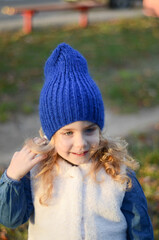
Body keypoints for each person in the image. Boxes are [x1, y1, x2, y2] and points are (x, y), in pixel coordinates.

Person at [0, 43, 154, 240]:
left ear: (100, 129)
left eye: (89, 130)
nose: (81, 143)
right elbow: (10, 219)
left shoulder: (119, 174)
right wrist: (12, 178)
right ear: (51, 134)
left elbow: (140, 230)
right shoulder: (35, 173)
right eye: (68, 133)